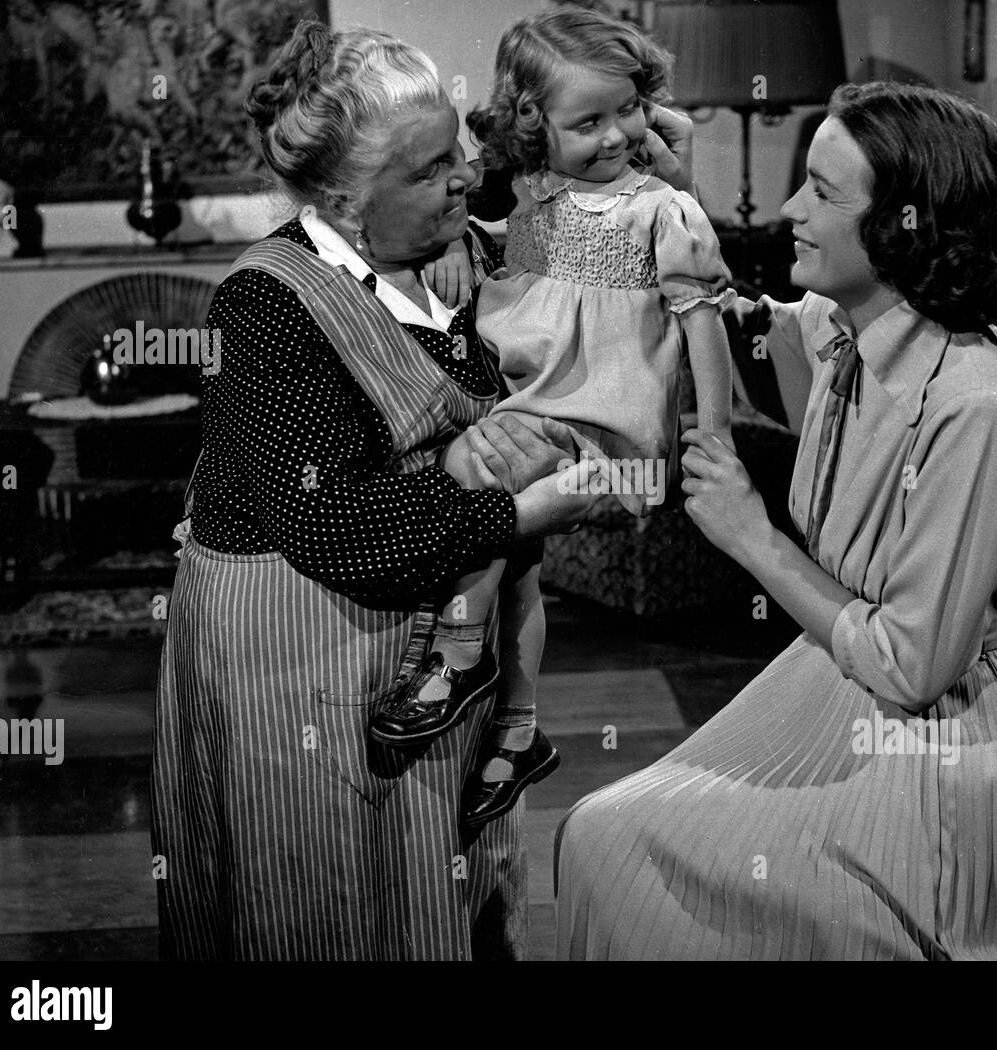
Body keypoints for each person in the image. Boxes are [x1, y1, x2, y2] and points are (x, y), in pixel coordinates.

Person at [148, 19, 706, 960]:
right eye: (424, 172)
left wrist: (669, 182)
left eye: (456, 151)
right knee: (324, 913)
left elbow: (643, 289)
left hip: (436, 678)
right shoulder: (269, 305)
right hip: (303, 677)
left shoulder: (475, 254)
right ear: (342, 196)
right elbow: (334, 526)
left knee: (444, 903)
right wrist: (522, 512)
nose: (460, 179)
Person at [553, 82, 997, 960]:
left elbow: (915, 664)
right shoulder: (854, 325)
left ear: (905, 227)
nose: (788, 210)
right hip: (846, 694)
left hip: (954, 742)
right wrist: (676, 198)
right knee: (601, 833)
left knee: (619, 843)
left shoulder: (977, 407)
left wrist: (752, 538)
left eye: (821, 192)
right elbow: (743, 330)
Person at [370, 7, 734, 832]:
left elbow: (703, 319)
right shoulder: (537, 203)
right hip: (542, 413)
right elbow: (501, 254)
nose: (616, 135)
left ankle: (460, 657)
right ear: (537, 126)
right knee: (513, 551)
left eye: (627, 111)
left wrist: (713, 441)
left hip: (607, 435)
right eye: (588, 122)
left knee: (477, 478)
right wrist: (459, 237)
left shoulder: (661, 211)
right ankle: (518, 727)